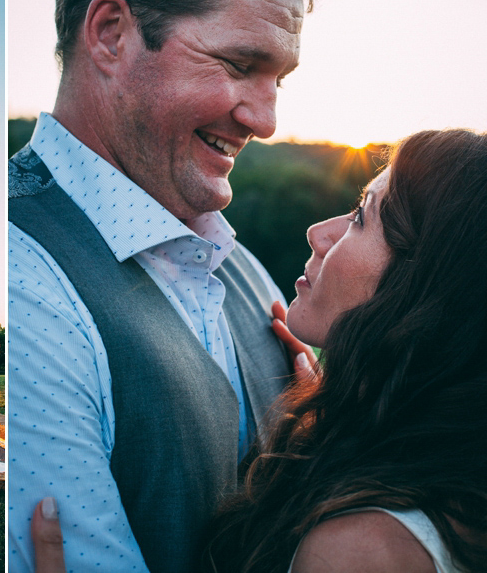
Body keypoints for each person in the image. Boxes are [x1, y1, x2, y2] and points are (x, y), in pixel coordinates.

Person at [8, 0, 314, 573]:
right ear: (111, 34)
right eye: (240, 64)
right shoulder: (18, 274)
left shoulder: (242, 269)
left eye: (278, 80)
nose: (265, 120)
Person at [32, 129, 487, 573]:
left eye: (361, 218)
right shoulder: (440, 475)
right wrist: (327, 418)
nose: (318, 233)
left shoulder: (362, 551)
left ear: (430, 288)